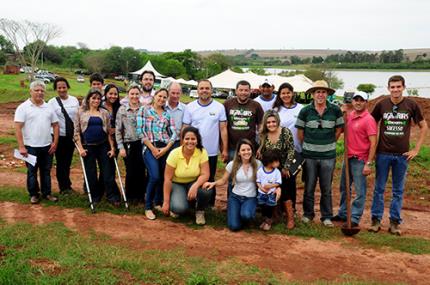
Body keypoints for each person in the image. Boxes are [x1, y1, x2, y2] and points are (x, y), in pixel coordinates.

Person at [368, 75, 428, 235]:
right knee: (379, 189)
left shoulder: (411, 105)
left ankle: (394, 223)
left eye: (398, 87)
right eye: (392, 87)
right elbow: (371, 124)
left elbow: (423, 126)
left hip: (402, 156)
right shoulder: (382, 104)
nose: (395, 90)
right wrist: (371, 148)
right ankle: (375, 221)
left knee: (398, 190)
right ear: (388, 88)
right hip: (382, 154)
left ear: (403, 87)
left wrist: (416, 149)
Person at [295, 80, 344, 227]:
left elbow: (338, 130)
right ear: (313, 94)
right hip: (309, 155)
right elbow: (300, 133)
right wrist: (310, 146)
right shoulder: (305, 111)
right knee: (309, 186)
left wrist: (328, 144)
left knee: (326, 188)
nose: (320, 94)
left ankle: (326, 216)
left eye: (323, 91)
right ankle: (308, 214)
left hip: (328, 156)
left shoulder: (335, 110)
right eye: (317, 92)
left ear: (328, 94)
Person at [332, 91, 377, 227]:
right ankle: (343, 213)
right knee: (344, 187)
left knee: (359, 190)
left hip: (360, 159)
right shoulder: (350, 116)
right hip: (348, 157)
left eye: (361, 100)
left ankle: (355, 218)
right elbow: (342, 129)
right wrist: (342, 113)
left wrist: (369, 163)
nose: (358, 102)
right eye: (356, 100)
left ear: (366, 102)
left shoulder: (368, 120)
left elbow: (374, 143)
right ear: (352, 102)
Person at [182, 79, 228, 207]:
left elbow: (223, 129)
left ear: (211, 90)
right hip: (193, 151)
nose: (204, 91)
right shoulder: (190, 107)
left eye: (207, 88)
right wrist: (183, 147)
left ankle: (208, 205)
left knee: (209, 178)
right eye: (201, 88)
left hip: (211, 151)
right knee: (193, 177)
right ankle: (191, 202)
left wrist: (224, 149)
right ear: (197, 90)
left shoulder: (219, 107)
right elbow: (185, 128)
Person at [15, 81, 59, 204]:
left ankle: (47, 193)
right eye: (37, 90)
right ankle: (34, 194)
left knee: (46, 171)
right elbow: (18, 127)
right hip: (30, 147)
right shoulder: (23, 107)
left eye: (42, 90)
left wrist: (55, 143)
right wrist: (21, 146)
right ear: (31, 91)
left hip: (47, 146)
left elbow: (55, 125)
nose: (40, 93)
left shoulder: (48, 107)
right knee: (32, 172)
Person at [74, 88, 120, 205]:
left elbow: (109, 132)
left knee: (107, 172)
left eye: (99, 98)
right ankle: (95, 197)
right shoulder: (81, 112)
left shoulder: (104, 112)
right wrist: (80, 148)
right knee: (91, 173)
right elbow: (77, 132)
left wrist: (112, 148)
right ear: (88, 99)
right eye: (93, 98)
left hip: (103, 145)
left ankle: (112, 196)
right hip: (88, 146)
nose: (96, 100)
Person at [204, 139, 261, 231]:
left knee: (246, 215)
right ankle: (238, 215)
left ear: (252, 151)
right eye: (243, 150)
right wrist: (212, 183)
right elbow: (223, 180)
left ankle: (246, 215)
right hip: (235, 197)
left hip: (250, 197)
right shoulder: (232, 164)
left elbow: (265, 179)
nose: (246, 152)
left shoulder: (258, 164)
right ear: (238, 152)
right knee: (234, 227)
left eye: (248, 149)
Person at [137, 88, 177, 220]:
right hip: (150, 147)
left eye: (164, 97)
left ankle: (158, 202)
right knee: (154, 176)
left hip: (164, 147)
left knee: (163, 178)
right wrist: (153, 149)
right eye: (160, 96)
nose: (162, 99)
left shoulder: (167, 114)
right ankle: (148, 207)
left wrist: (166, 148)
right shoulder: (144, 110)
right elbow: (140, 131)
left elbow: (174, 133)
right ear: (154, 96)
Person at [162, 127, 212, 225]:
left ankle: (200, 211)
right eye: (187, 139)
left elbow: (205, 174)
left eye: (193, 139)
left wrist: (195, 185)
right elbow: (167, 179)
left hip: (193, 181)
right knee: (179, 208)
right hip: (177, 183)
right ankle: (176, 204)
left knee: (207, 190)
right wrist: (166, 202)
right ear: (182, 140)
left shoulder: (202, 152)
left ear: (197, 140)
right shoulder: (174, 154)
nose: (190, 141)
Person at [258, 110, 295, 229]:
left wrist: (286, 167)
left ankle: (290, 218)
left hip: (284, 167)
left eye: (274, 121)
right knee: (269, 190)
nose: (271, 124)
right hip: (270, 168)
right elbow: (263, 151)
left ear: (278, 121)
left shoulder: (285, 132)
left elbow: (291, 149)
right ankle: (272, 216)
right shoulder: (263, 134)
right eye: (268, 122)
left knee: (286, 190)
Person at [273, 82, 304, 213]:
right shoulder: (276, 110)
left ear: (293, 93)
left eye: (288, 92)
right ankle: (277, 209)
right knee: (278, 179)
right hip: (278, 151)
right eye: (283, 93)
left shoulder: (301, 109)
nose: (286, 95)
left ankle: (291, 210)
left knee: (290, 180)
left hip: (296, 150)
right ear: (279, 95)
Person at [48, 77, 79, 194]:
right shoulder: (51, 102)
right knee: (61, 162)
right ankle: (64, 187)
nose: (62, 89)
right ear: (56, 89)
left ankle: (67, 185)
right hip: (58, 136)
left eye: (64, 87)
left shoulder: (74, 100)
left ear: (68, 87)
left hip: (71, 136)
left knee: (68, 161)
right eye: (59, 87)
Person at [115, 84, 146, 203]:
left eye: (137, 94)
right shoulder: (122, 109)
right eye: (132, 94)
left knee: (141, 170)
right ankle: (130, 196)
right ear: (128, 95)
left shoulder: (144, 109)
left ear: (140, 95)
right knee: (131, 171)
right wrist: (120, 147)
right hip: (128, 143)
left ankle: (140, 196)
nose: (134, 96)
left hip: (142, 143)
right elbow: (118, 129)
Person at [223, 80, 264, 159]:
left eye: (246, 90)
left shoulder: (256, 105)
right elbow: (223, 126)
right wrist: (224, 148)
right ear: (236, 91)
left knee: (249, 170)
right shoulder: (227, 104)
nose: (243, 92)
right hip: (232, 147)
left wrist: (261, 146)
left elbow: (261, 127)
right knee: (233, 170)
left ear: (250, 91)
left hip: (250, 147)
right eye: (241, 90)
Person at [256, 150, 282, 231]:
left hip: (271, 194)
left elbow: (278, 183)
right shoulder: (260, 170)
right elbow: (258, 181)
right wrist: (261, 188)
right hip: (261, 193)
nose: (279, 163)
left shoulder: (277, 172)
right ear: (270, 162)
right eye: (277, 161)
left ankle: (268, 222)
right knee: (263, 207)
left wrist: (270, 186)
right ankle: (264, 221)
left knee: (269, 207)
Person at [166, 82, 186, 149]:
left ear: (181, 93)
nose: (175, 96)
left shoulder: (185, 109)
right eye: (173, 93)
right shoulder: (161, 106)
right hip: (162, 141)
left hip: (177, 142)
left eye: (178, 93)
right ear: (168, 92)